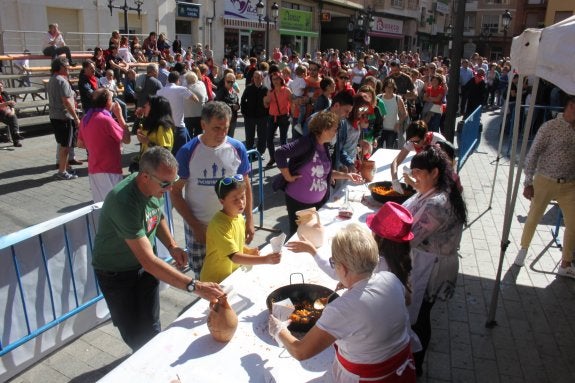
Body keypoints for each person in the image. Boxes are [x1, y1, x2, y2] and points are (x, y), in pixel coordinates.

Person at [92, 146, 224, 352]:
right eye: (166, 184)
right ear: (145, 177)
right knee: (134, 333)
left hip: (144, 270)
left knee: (151, 326)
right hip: (116, 274)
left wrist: (172, 245)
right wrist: (194, 286)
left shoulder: (156, 185)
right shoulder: (123, 202)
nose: (170, 188)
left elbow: (157, 215)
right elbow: (149, 261)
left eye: (173, 181)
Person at [269, 223, 416, 382]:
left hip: (369, 378)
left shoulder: (341, 309)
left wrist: (279, 330)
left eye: (334, 263)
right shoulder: (390, 278)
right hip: (403, 369)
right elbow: (407, 299)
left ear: (344, 269)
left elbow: (301, 352)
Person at [401, 145, 467, 376]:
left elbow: (408, 236)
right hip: (426, 262)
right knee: (420, 314)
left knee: (420, 317)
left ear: (435, 173)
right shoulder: (433, 191)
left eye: (418, 171)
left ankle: (416, 366)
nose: (414, 176)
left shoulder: (438, 203)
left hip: (432, 268)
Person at [170, 102, 254, 276]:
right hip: (200, 227)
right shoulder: (188, 151)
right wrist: (195, 227)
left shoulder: (237, 148)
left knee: (231, 271)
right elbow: (175, 192)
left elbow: (245, 185)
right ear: (203, 124)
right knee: (203, 277)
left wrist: (250, 219)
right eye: (216, 128)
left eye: (226, 128)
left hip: (230, 225)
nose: (222, 134)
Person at [513, 94, 575, 277]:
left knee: (572, 223)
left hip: (570, 184)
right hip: (545, 179)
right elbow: (533, 154)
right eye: (573, 106)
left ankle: (566, 263)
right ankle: (523, 250)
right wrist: (528, 182)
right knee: (534, 216)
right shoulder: (550, 127)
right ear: (568, 106)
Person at [273, 110, 363, 236]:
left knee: (312, 236)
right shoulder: (306, 142)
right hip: (299, 202)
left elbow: (324, 172)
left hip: (317, 203)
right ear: (324, 129)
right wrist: (287, 176)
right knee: (298, 236)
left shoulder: (324, 146)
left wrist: (347, 175)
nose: (336, 133)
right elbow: (280, 153)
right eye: (334, 129)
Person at [200, 175, 281, 283]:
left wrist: (247, 251)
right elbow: (234, 256)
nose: (241, 203)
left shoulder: (239, 217)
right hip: (215, 280)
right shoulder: (219, 224)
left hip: (231, 275)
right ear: (222, 201)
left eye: (243, 197)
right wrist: (265, 260)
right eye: (235, 199)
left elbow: (236, 244)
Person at [77, 89, 131, 202]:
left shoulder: (85, 119)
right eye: (112, 99)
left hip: (94, 169)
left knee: (100, 206)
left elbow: (80, 144)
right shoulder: (106, 120)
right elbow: (127, 139)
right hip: (109, 169)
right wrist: (120, 116)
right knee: (114, 205)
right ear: (108, 102)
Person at [47, 57, 81, 180]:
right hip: (64, 117)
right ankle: (62, 171)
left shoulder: (52, 79)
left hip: (55, 116)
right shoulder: (62, 81)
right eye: (66, 66)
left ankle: (64, 167)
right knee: (66, 146)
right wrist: (76, 118)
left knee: (63, 144)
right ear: (60, 67)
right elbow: (66, 101)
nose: (69, 68)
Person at [390, 120, 445, 193]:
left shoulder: (438, 140)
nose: (414, 144)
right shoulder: (412, 141)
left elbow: (444, 167)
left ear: (425, 136)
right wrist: (395, 180)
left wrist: (413, 180)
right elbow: (395, 162)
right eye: (411, 141)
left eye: (417, 142)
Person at [131, 95, 175, 172]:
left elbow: (166, 151)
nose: (144, 106)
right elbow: (134, 131)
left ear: (155, 109)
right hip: (147, 165)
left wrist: (147, 142)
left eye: (148, 104)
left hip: (156, 169)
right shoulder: (151, 123)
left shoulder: (163, 127)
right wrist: (139, 117)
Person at [157, 71, 197, 155]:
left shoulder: (159, 92)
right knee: (183, 153)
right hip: (178, 126)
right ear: (178, 80)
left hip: (164, 127)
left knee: (168, 154)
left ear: (168, 79)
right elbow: (196, 99)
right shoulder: (181, 89)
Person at [263, 72, 292, 168]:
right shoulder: (270, 92)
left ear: (281, 80)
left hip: (284, 117)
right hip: (272, 117)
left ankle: (283, 158)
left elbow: (292, 104)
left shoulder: (287, 91)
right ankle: (273, 157)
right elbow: (266, 106)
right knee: (269, 138)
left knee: (283, 139)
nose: (275, 81)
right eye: (273, 79)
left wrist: (292, 116)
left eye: (277, 79)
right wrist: (266, 101)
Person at [240, 70, 268, 155]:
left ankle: (260, 153)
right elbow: (243, 100)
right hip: (249, 116)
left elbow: (269, 103)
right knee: (249, 136)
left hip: (262, 117)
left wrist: (267, 114)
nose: (256, 79)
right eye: (255, 77)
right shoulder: (249, 88)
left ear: (262, 78)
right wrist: (244, 112)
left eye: (258, 77)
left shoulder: (265, 89)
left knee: (262, 136)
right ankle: (250, 153)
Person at [380, 77, 408, 149]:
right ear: (384, 87)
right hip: (380, 129)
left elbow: (404, 114)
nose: (389, 89)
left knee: (390, 150)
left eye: (391, 87)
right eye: (388, 87)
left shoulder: (397, 99)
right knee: (377, 150)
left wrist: (398, 123)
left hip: (392, 129)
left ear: (394, 88)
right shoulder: (379, 97)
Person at [215, 72, 240, 138]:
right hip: (223, 119)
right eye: (228, 81)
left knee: (231, 138)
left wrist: (238, 106)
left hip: (233, 118)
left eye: (232, 82)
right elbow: (219, 104)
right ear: (224, 81)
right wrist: (232, 106)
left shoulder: (234, 92)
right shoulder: (221, 92)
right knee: (223, 138)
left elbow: (237, 102)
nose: (230, 83)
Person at [183, 71, 208, 138]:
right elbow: (206, 98)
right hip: (200, 114)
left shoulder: (184, 88)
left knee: (189, 136)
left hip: (187, 115)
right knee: (199, 136)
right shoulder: (202, 84)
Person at [0, 81, 23, 147]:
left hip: (7, 114)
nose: (0, 88)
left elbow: (11, 105)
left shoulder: (4, 93)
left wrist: (12, 111)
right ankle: (16, 138)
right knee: (12, 119)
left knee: (13, 117)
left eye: (1, 86)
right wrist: (7, 103)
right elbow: (7, 103)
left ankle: (16, 135)